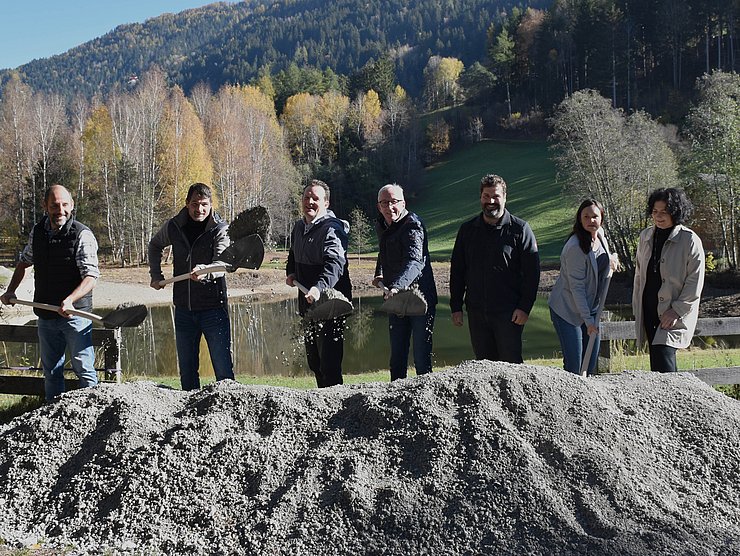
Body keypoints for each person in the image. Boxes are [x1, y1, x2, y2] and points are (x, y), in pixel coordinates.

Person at [0, 185, 100, 401]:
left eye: (65, 205)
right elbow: (25, 262)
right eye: (55, 205)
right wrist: (10, 291)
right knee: (52, 372)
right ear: (45, 206)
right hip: (46, 315)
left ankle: (94, 419)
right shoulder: (38, 232)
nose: (60, 210)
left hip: (76, 317)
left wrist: (71, 300)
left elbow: (91, 276)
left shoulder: (82, 234)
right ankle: (52, 417)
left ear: (72, 206)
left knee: (84, 369)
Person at [148, 182, 234, 390]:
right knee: (187, 372)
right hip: (184, 310)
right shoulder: (174, 226)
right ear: (187, 204)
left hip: (214, 309)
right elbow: (155, 245)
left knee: (223, 371)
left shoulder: (220, 229)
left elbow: (224, 264)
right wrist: (156, 274)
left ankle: (228, 414)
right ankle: (190, 418)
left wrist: (205, 272)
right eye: (195, 203)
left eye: (204, 204)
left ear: (211, 205)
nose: (199, 209)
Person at [449, 173, 540, 363]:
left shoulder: (520, 229)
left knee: (511, 364)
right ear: (480, 198)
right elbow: (458, 271)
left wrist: (524, 308)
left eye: (495, 196)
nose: (491, 201)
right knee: (484, 366)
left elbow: (532, 274)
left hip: (509, 314)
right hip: (476, 312)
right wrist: (456, 306)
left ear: (505, 197)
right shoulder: (467, 230)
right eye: (486, 196)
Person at [286, 179, 352, 388]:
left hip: (331, 304)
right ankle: (322, 403)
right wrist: (291, 272)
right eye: (307, 197)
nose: (310, 202)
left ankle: (337, 408)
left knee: (329, 364)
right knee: (314, 361)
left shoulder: (332, 229)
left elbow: (335, 264)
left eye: (316, 198)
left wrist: (318, 287)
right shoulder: (299, 227)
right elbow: (293, 254)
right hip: (308, 303)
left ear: (326, 203)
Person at [632, 187, 705, 373]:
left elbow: (695, 282)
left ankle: (676, 401)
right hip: (649, 309)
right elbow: (639, 276)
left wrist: (677, 310)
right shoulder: (645, 237)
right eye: (655, 211)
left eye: (664, 212)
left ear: (676, 212)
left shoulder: (690, 240)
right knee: (657, 364)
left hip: (673, 313)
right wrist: (637, 309)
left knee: (664, 359)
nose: (658, 216)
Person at [373, 183, 438, 381]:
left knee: (421, 358)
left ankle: (426, 400)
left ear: (403, 203)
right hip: (397, 299)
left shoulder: (413, 225)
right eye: (385, 203)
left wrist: (397, 286)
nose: (389, 207)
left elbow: (414, 262)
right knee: (397, 358)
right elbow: (384, 251)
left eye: (394, 202)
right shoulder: (382, 224)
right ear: (379, 206)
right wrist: (380, 273)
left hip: (420, 299)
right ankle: (395, 401)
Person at [549, 199, 618, 375]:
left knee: (591, 361)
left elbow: (604, 257)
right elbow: (576, 288)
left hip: (592, 306)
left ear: (601, 217)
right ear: (580, 219)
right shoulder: (575, 248)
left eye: (594, 216)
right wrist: (588, 321)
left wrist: (611, 259)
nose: (590, 220)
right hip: (567, 309)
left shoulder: (600, 235)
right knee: (575, 365)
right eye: (586, 216)